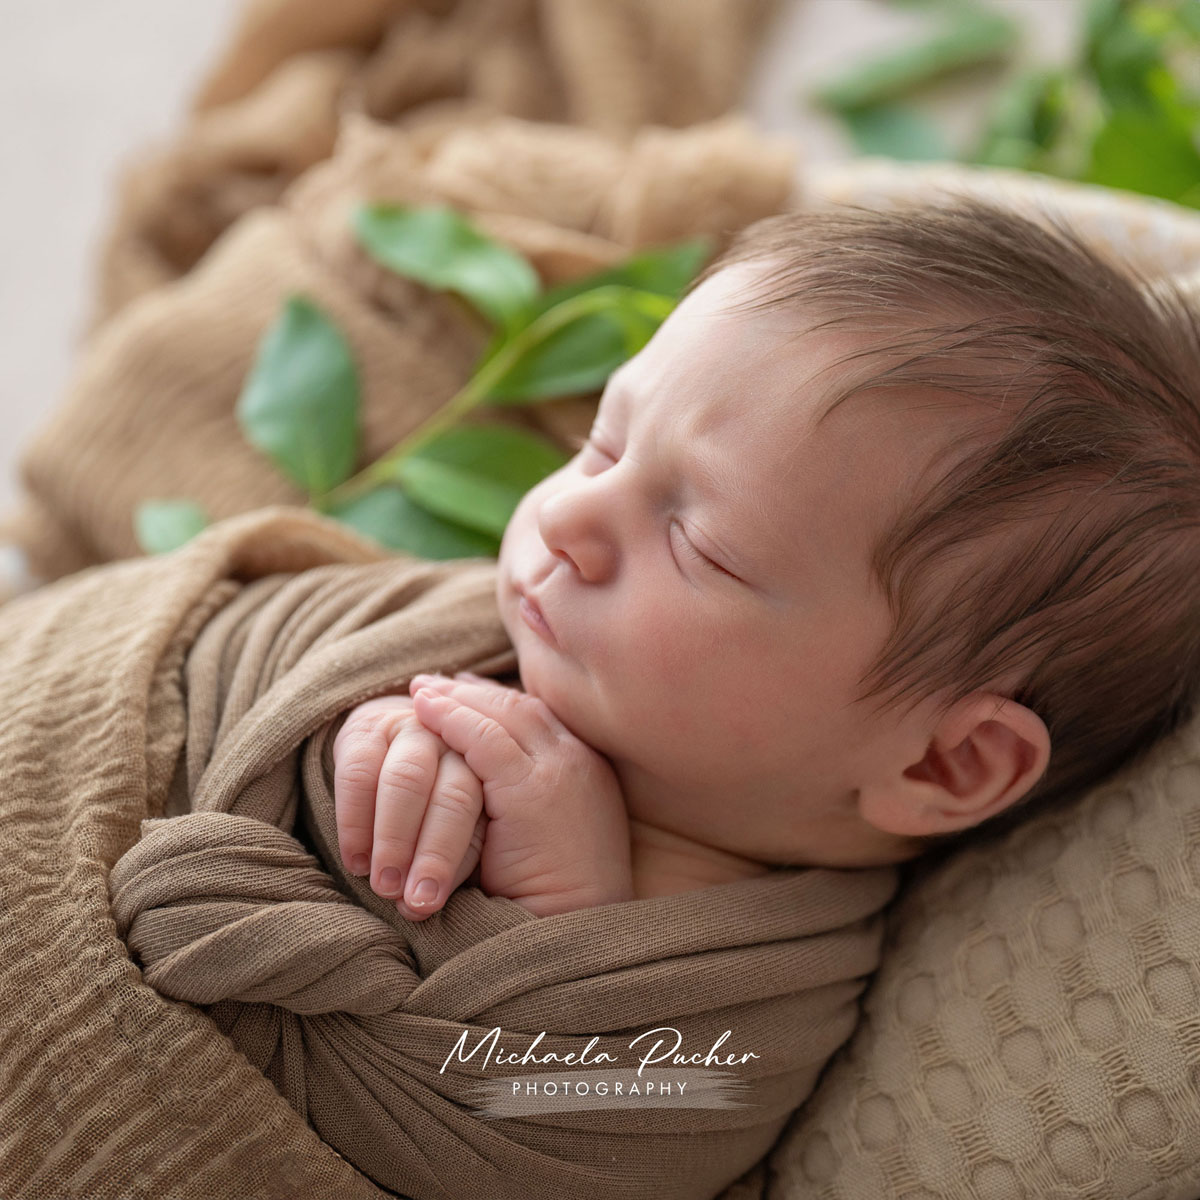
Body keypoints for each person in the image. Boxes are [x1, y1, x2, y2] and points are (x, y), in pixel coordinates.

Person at [332, 195, 1200, 922]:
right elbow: (271, 622)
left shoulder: (771, 975)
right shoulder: (482, 625)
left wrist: (563, 919)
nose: (563, 514)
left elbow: (547, 1090)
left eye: (700, 546)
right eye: (602, 443)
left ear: (943, 764)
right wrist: (343, 724)